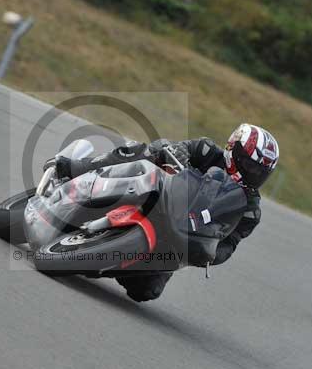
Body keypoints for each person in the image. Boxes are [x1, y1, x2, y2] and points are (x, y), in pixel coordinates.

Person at [53, 124, 280, 302]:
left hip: (180, 235)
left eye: (260, 171)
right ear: (234, 150)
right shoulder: (207, 150)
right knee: (144, 151)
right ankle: (77, 168)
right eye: (250, 165)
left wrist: (211, 253)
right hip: (155, 190)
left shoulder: (250, 210)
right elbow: (176, 148)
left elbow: (230, 244)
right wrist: (174, 152)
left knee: (146, 291)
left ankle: (104, 259)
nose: (254, 174)